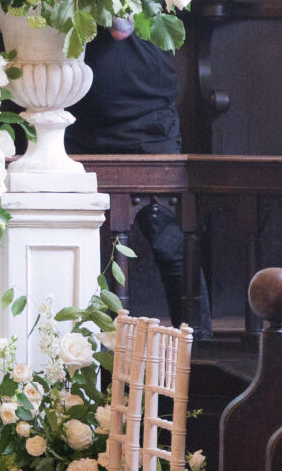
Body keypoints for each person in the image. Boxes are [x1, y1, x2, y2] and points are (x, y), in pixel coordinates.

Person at [66, 17, 208, 333]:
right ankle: (60, 351)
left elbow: (121, 27)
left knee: (169, 241)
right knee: (57, 237)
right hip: (66, 117)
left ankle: (200, 353)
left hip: (145, 119)